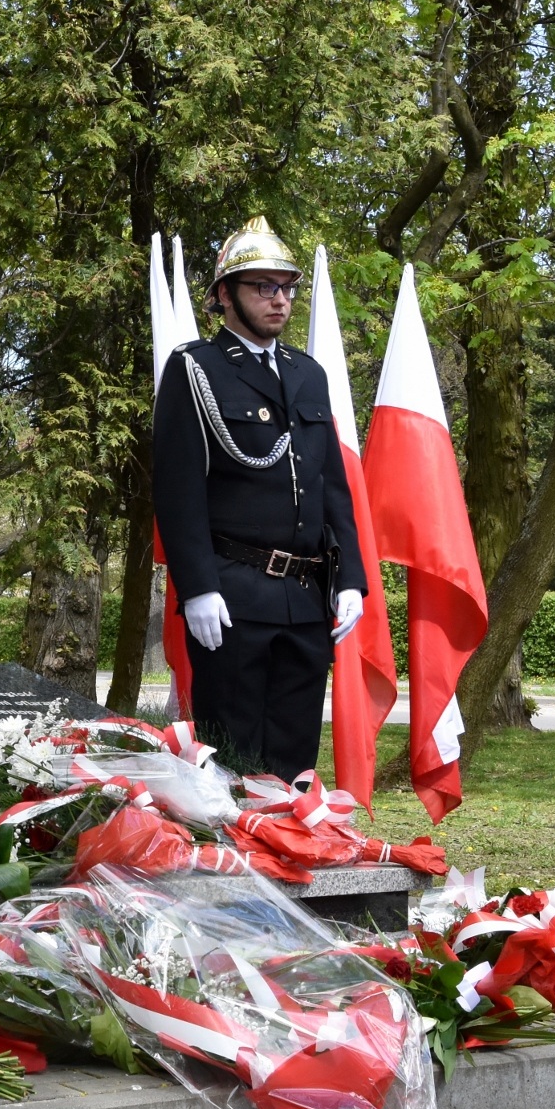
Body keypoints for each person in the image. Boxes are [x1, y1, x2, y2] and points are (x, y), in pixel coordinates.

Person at [151, 216, 366, 780]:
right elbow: (177, 489)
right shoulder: (196, 368)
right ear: (225, 294)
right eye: (263, 287)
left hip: (305, 597)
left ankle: (291, 835)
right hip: (233, 596)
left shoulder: (308, 374)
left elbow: (332, 486)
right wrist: (197, 586)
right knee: (236, 762)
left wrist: (350, 579)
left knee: (294, 762)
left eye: (287, 287)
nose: (280, 299)